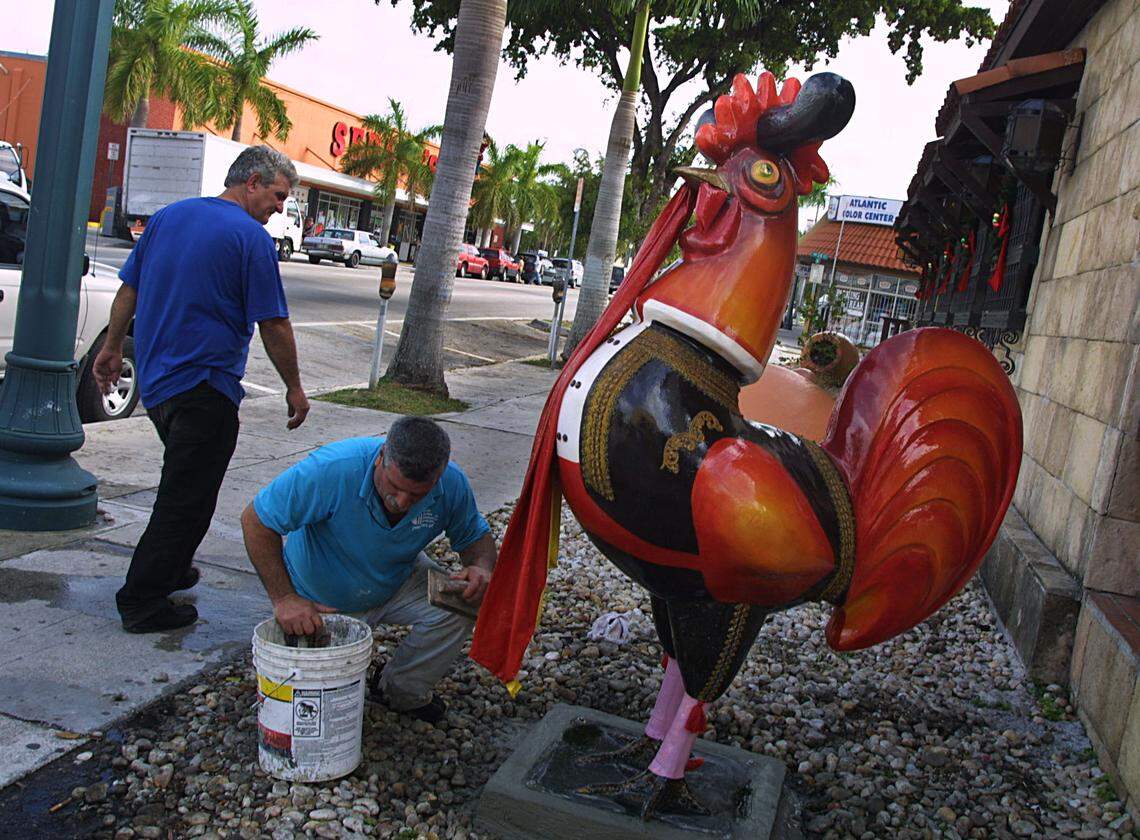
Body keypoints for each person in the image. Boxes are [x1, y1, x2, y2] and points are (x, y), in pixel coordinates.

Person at [93, 145, 311, 634]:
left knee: (187, 485)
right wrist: (294, 387)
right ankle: (142, 600)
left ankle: (171, 568)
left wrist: (111, 348)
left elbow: (130, 287)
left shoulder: (170, 217)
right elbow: (273, 322)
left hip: (159, 387)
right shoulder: (250, 239)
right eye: (278, 196)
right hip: (205, 387)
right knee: (186, 499)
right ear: (251, 182)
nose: (280, 208)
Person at [241, 417, 496, 724]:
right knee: (309, 712)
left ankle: (400, 691)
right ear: (380, 459)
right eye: (395, 487)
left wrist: (480, 567)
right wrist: (284, 598)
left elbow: (475, 537)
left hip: (397, 579)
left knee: (463, 604)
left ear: (438, 477)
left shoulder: (451, 484)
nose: (402, 502)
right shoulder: (333, 469)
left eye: (417, 496)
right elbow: (256, 520)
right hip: (321, 598)